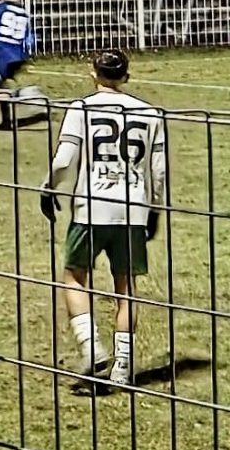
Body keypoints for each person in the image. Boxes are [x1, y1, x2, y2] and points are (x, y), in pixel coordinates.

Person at [40, 50, 168, 387]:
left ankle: (91, 346)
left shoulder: (81, 108)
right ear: (126, 76)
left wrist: (48, 186)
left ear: (93, 73)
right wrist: (155, 209)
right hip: (133, 208)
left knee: (74, 276)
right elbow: (159, 172)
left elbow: (64, 160)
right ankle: (123, 367)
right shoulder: (150, 113)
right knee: (126, 287)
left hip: (92, 206)